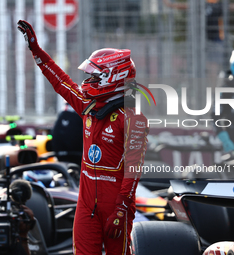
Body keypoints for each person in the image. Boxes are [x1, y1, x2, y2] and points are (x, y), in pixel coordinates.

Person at [17, 20, 149, 255]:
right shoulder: (88, 105)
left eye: (95, 76)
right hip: (86, 203)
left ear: (113, 77)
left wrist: (120, 210)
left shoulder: (133, 119)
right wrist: (36, 50)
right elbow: (60, 81)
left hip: (116, 206)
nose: (88, 82)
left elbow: (133, 171)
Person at [51, 101, 83, 166]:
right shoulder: (82, 114)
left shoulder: (62, 114)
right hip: (78, 156)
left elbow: (55, 134)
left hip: (60, 155)